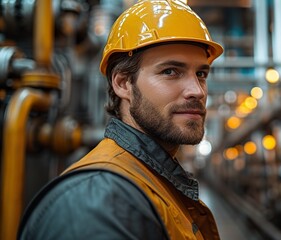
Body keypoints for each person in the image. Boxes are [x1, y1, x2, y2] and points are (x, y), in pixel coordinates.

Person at [18, 0, 223, 239]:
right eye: (170, 71)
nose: (197, 90)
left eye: (201, 74)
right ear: (123, 83)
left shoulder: (153, 183)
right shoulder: (96, 202)